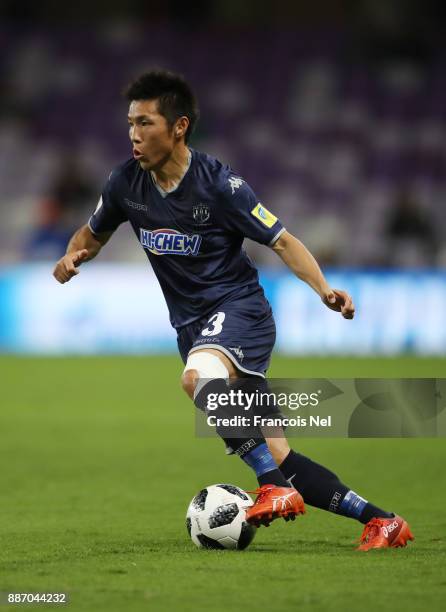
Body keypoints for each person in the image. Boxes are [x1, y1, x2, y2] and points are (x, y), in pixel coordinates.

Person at [53, 70, 413, 551]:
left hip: (240, 311)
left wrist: (324, 289)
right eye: (130, 123)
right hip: (194, 327)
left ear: (178, 127)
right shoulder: (124, 183)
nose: (134, 134)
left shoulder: (220, 185)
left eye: (145, 122)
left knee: (196, 378)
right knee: (281, 454)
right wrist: (74, 255)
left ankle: (272, 487)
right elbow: (90, 233)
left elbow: (282, 240)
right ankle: (382, 520)